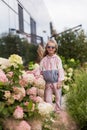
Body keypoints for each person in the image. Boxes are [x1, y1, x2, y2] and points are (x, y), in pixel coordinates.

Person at [39, 39, 64, 112]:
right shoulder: (44, 59)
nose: (50, 48)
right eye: (49, 47)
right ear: (46, 48)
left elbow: (60, 70)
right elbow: (40, 70)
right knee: (47, 97)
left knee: (58, 96)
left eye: (52, 47)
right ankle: (49, 110)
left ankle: (58, 109)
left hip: (56, 81)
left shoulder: (57, 59)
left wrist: (60, 81)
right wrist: (38, 76)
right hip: (48, 82)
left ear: (55, 49)